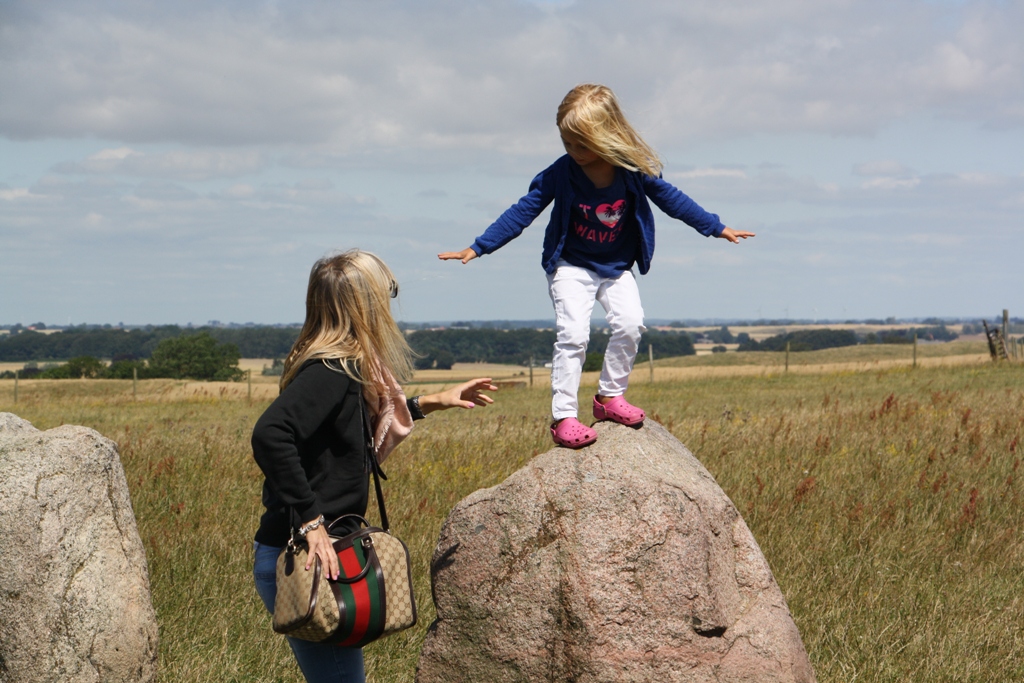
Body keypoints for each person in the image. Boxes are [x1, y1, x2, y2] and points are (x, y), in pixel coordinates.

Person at [439, 83, 754, 449]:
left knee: (631, 323)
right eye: (567, 143)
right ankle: (564, 417)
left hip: (616, 266)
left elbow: (673, 200)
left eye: (583, 144)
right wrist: (479, 247)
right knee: (573, 334)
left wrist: (716, 227)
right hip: (571, 266)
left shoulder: (633, 169)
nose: (575, 151)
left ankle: (608, 399)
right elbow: (523, 211)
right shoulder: (562, 172)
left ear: (608, 134)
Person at [251, 249, 496, 683]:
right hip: (310, 558)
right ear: (365, 306)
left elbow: (343, 438)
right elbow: (271, 434)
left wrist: (429, 403)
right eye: (388, 293)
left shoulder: (344, 368)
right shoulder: (332, 370)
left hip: (317, 555)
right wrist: (311, 523)